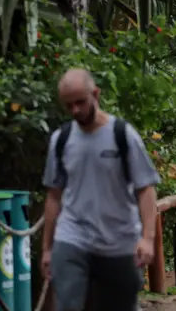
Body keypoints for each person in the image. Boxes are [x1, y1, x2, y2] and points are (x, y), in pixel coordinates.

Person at [42, 69, 161, 310]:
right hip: (73, 236)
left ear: (95, 94)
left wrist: (148, 239)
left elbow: (145, 189)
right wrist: (47, 249)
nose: (75, 110)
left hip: (119, 240)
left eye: (80, 102)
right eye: (68, 105)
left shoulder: (122, 135)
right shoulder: (61, 139)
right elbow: (53, 195)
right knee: (66, 305)